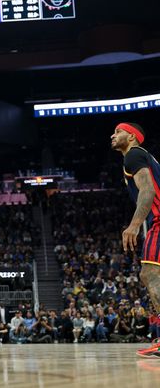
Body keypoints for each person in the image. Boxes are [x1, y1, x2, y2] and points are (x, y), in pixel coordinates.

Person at [112, 123, 160, 358]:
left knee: (149, 274)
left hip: (159, 221)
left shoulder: (133, 155)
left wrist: (133, 225)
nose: (113, 135)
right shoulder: (144, 156)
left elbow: (148, 190)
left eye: (117, 131)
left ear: (131, 136)